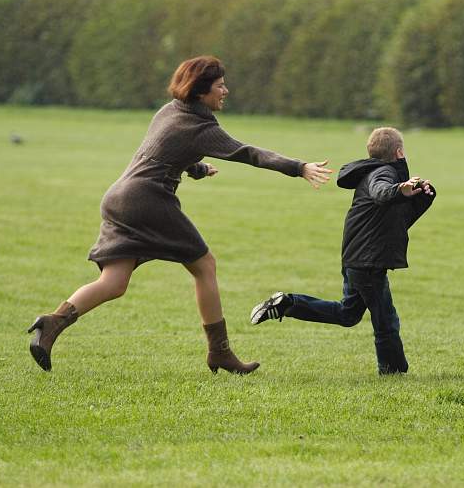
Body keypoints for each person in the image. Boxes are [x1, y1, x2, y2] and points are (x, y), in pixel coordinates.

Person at [27, 56, 333, 374]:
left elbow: (164, 150)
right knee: (205, 266)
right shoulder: (202, 127)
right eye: (220, 86)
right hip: (148, 200)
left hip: (119, 197)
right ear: (201, 92)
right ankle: (220, 352)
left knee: (114, 282)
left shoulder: (170, 110)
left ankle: (52, 323)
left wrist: (197, 169)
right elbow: (248, 153)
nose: (226, 90)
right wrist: (299, 167)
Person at [249, 127, 435, 375]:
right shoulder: (383, 174)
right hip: (365, 262)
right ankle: (393, 372)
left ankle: (287, 304)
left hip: (358, 258)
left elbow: (392, 222)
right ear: (399, 152)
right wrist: (400, 189)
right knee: (386, 320)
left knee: (347, 314)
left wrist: (421, 199)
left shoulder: (376, 173)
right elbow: (382, 194)